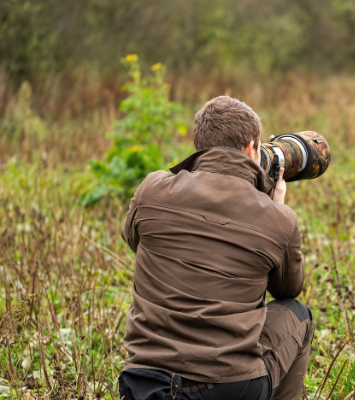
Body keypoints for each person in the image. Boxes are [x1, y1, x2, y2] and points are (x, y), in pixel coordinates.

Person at [118, 96, 313, 400]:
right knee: (297, 313)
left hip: (144, 382)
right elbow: (288, 290)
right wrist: (275, 208)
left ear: (200, 146)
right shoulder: (277, 218)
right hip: (229, 388)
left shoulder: (151, 189)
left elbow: (132, 239)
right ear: (251, 146)